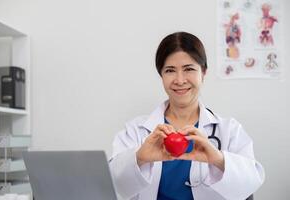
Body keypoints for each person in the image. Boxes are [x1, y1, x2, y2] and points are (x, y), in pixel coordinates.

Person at [109, 32, 265, 200]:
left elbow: (251, 183)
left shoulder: (229, 130)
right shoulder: (136, 131)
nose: (180, 80)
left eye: (189, 69)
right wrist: (139, 158)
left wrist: (219, 159)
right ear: (161, 75)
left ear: (203, 72)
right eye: (170, 70)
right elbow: (114, 184)